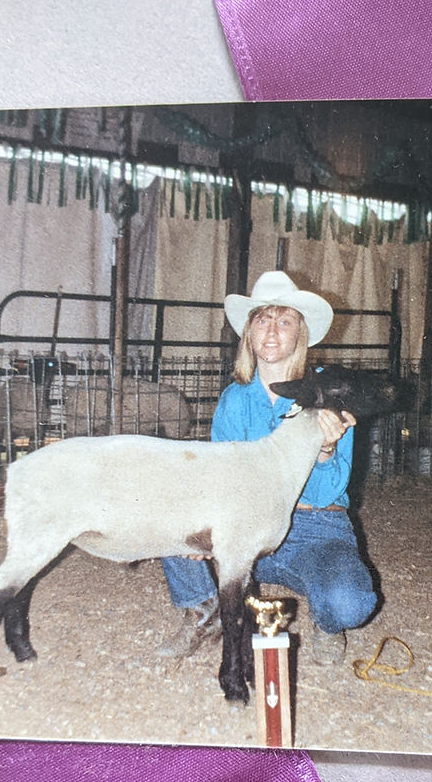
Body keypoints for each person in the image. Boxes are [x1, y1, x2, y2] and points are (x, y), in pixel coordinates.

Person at [159, 270, 378, 664]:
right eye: (263, 319)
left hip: (316, 528)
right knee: (168, 512)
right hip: (247, 524)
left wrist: (325, 449)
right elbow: (219, 476)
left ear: (301, 334)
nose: (273, 332)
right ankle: (202, 610)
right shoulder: (234, 399)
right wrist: (198, 524)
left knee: (351, 603)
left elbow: (329, 491)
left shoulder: (328, 392)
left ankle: (328, 623)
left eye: (285, 320)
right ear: (249, 332)